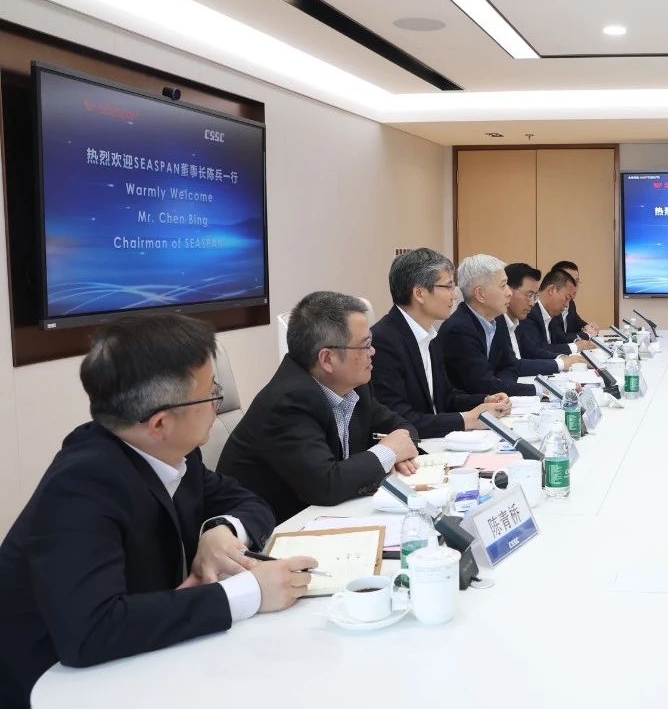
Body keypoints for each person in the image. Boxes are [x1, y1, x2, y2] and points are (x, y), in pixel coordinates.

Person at [0, 315, 315, 708]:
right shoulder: (81, 485)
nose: (218, 404)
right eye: (211, 394)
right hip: (57, 689)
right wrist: (248, 592)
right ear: (160, 423)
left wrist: (221, 531)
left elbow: (248, 501)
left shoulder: (173, 452)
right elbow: (91, 631)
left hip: (146, 663)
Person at [218, 291, 420, 522]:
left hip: (330, 517)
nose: (373, 352)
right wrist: (388, 453)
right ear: (327, 359)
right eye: (365, 346)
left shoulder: (354, 386)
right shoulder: (286, 402)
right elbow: (326, 484)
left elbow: (403, 429)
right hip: (271, 530)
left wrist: (395, 453)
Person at [370, 248, 511, 439]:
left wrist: (484, 400)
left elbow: (445, 398)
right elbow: (400, 419)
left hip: (438, 440)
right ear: (420, 293)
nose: (455, 296)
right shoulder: (383, 341)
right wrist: (467, 419)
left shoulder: (429, 335)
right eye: (449, 286)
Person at [438, 254, 537, 397]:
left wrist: (502, 387)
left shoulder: (498, 318)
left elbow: (510, 365)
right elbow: (481, 384)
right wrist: (537, 390)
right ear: (480, 294)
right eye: (503, 286)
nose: (509, 293)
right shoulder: (458, 330)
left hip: (496, 402)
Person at [503, 262, 587, 375]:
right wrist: (562, 362)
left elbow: (549, 345)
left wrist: (564, 359)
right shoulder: (526, 316)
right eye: (529, 295)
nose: (532, 303)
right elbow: (530, 353)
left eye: (534, 296)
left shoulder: (550, 315)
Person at [519, 267, 595, 363]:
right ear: (551, 290)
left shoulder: (552, 313)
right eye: (567, 298)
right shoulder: (529, 313)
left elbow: (559, 340)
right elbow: (535, 350)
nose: (567, 305)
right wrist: (575, 348)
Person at [548, 260, 599, 340]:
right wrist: (587, 334)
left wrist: (590, 327)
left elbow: (577, 323)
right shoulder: (550, 305)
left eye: (577, 281)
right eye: (572, 281)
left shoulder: (571, 303)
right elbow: (559, 338)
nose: (575, 286)